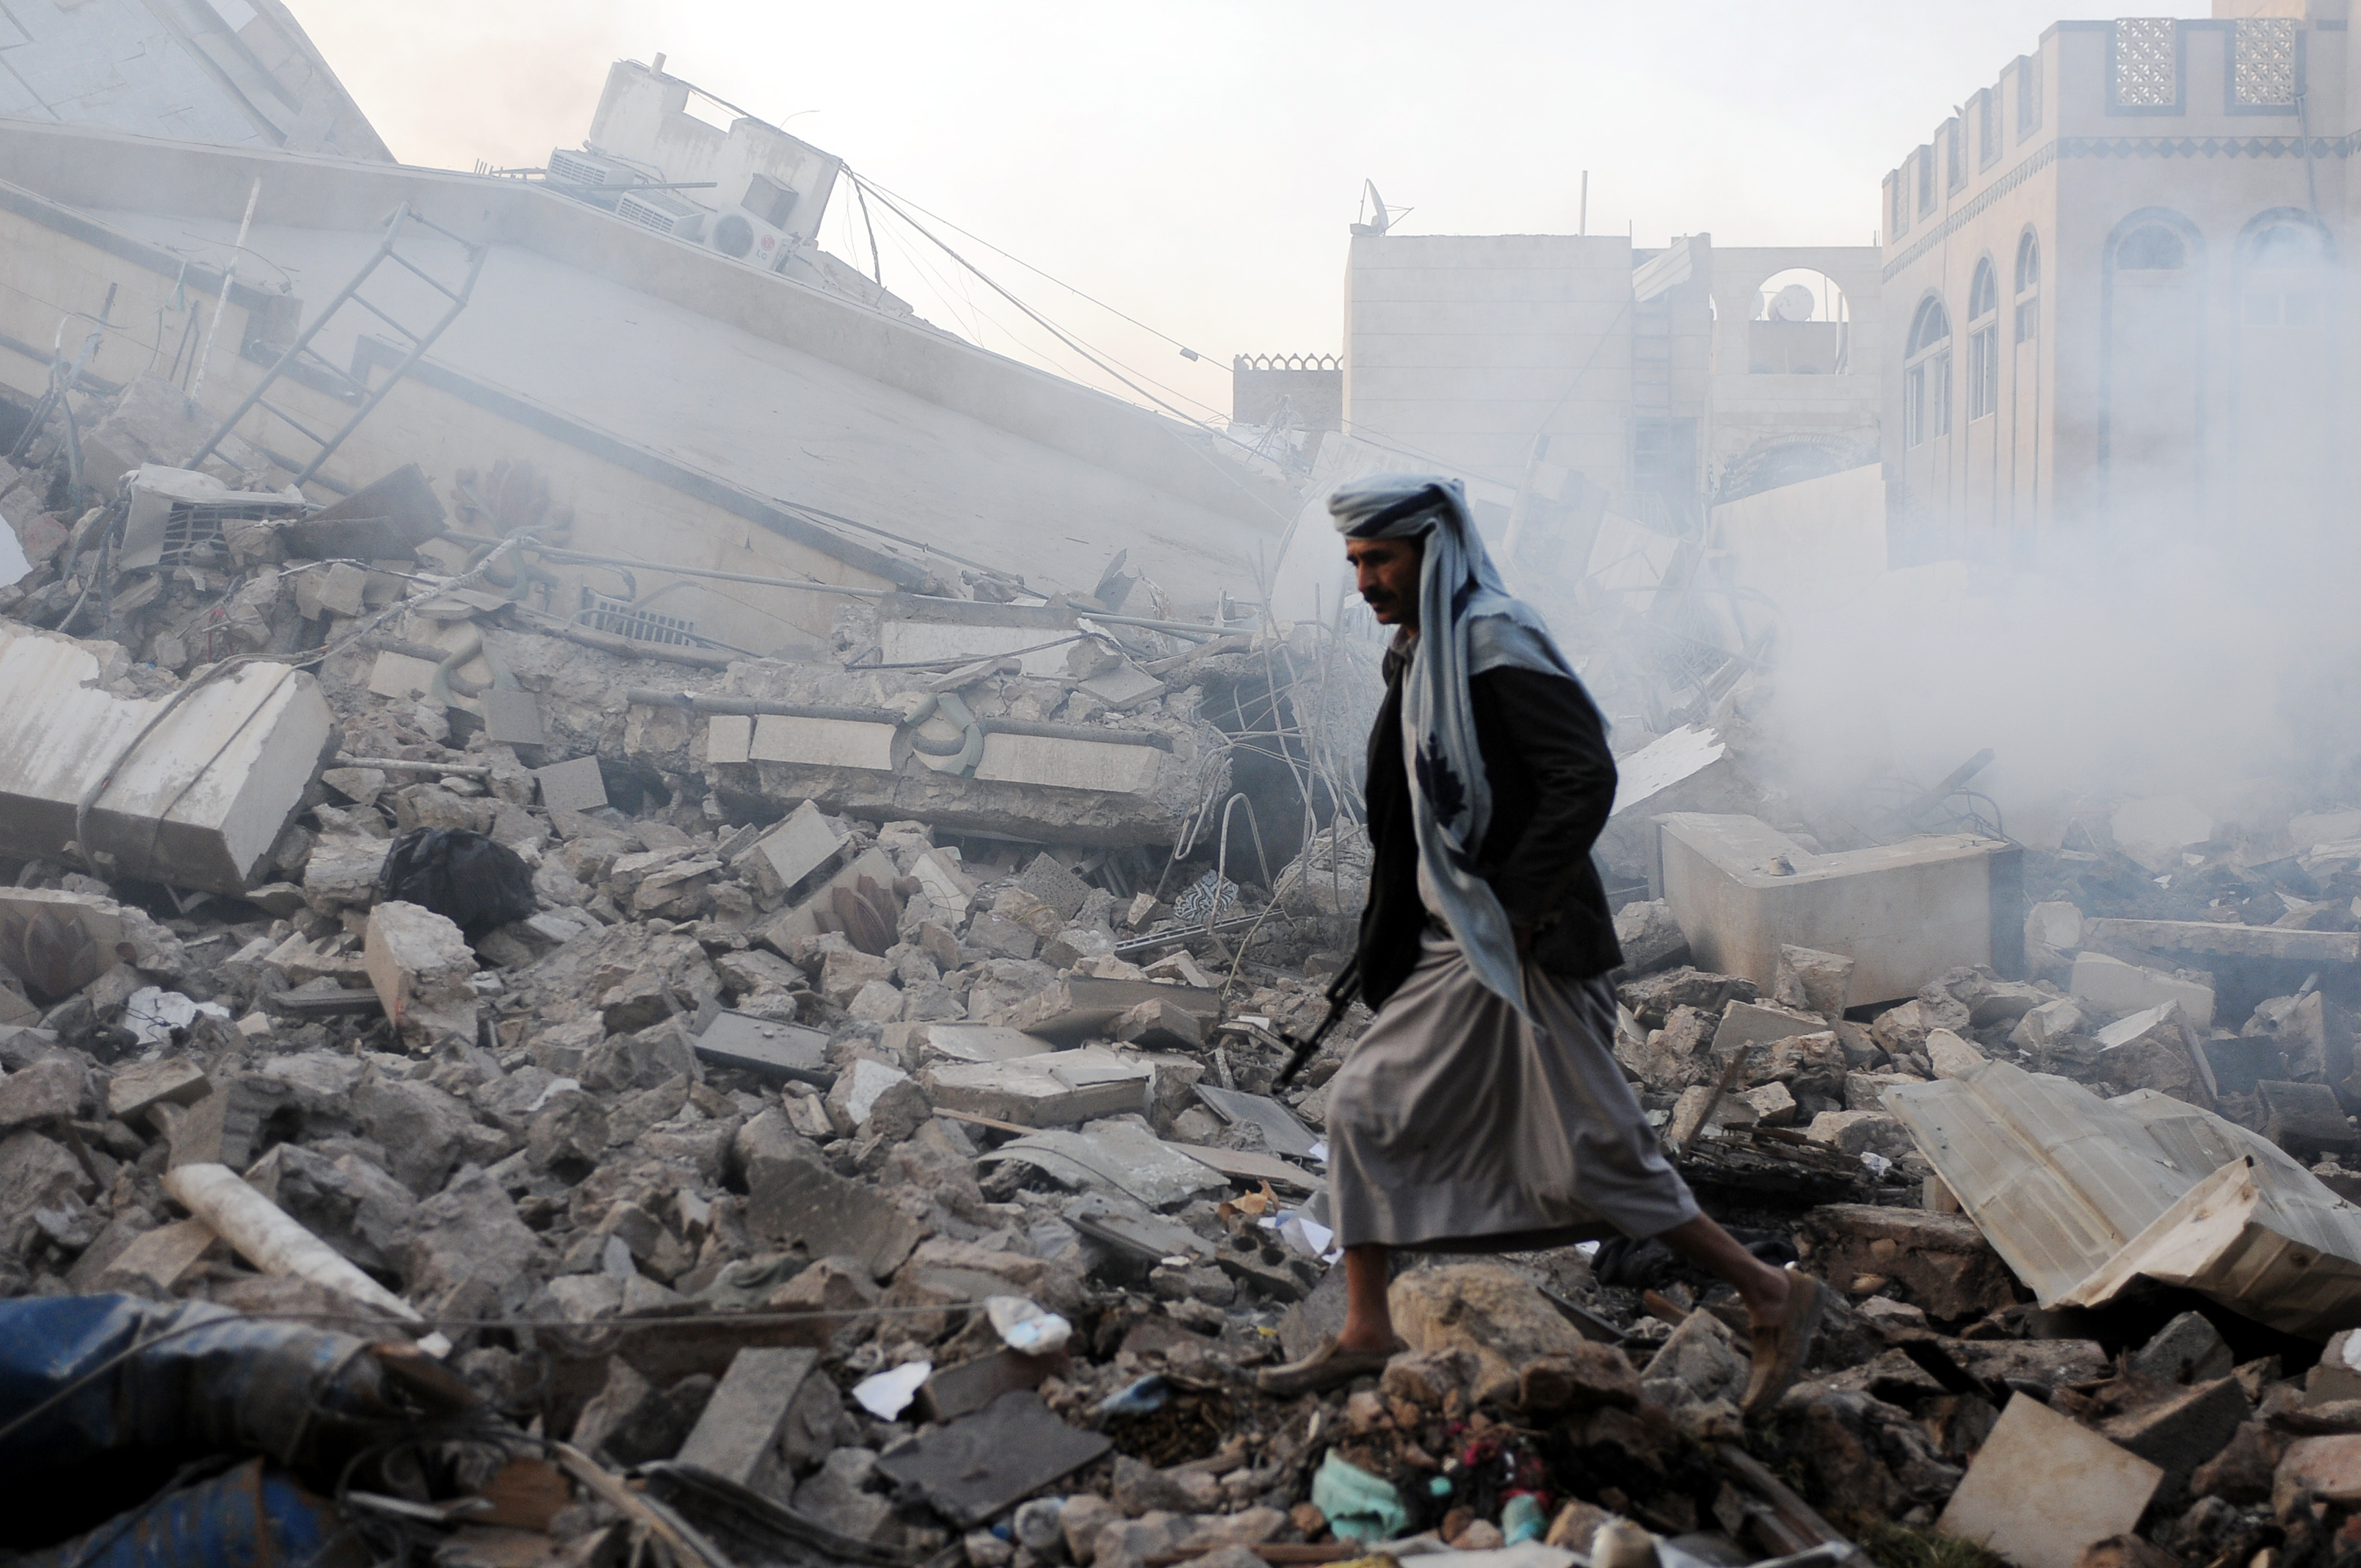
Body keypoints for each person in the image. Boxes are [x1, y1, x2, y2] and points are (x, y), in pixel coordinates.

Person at [1256, 473, 1826, 1415]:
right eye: (1354, 562)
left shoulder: (1492, 642)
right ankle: (1365, 1329)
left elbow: (1583, 775)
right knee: (1365, 1106)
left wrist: (1518, 913)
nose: (1364, 581)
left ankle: (1769, 1292)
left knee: (1594, 1152)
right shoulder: (1419, 653)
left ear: (1433, 551)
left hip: (1526, 945)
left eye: (1380, 559)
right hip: (1460, 939)